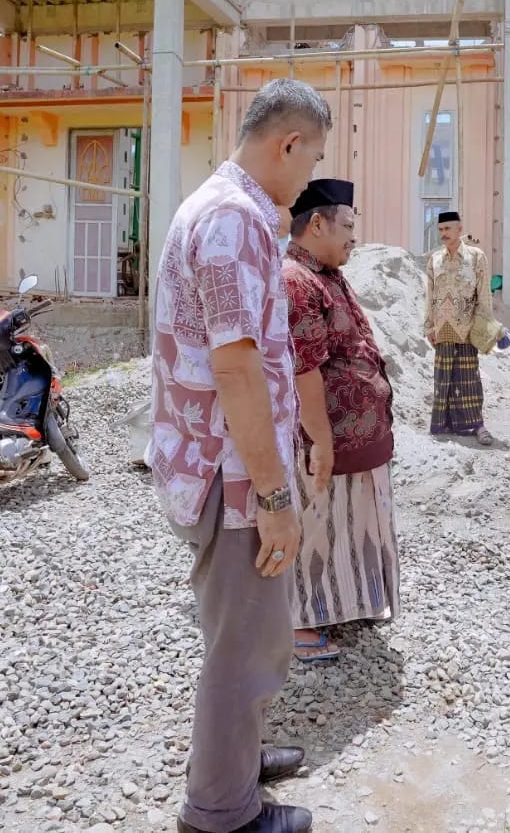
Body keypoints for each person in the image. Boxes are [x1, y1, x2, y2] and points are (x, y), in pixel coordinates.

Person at [152, 78, 330, 833]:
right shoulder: (233, 223)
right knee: (245, 647)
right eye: (312, 156)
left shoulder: (228, 210)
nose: (310, 172)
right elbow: (236, 367)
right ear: (286, 144)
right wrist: (275, 497)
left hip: (217, 464)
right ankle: (222, 811)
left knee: (240, 635)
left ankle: (238, 757)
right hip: (232, 480)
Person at [283, 179, 399, 665]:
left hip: (358, 436)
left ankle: (348, 602)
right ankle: (301, 622)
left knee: (351, 525)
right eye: (347, 226)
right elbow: (305, 370)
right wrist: (321, 441)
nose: (354, 237)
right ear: (317, 223)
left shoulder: (327, 273)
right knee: (317, 526)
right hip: (327, 437)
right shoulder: (295, 279)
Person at [425, 210, 495, 445]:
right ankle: (443, 425)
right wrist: (428, 327)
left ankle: (476, 424)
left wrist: (484, 326)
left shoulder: (476, 257)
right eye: (441, 230)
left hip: (467, 327)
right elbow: (429, 295)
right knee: (443, 377)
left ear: (459, 229)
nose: (444, 233)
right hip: (442, 327)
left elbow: (484, 295)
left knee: (468, 378)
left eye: (448, 229)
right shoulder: (435, 260)